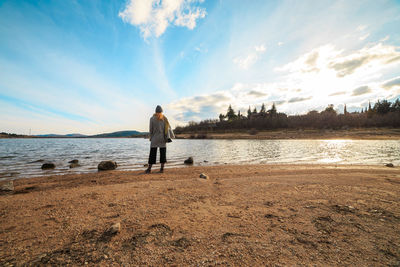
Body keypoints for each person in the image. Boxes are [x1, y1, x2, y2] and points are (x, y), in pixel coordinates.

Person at [146, 105, 174, 173]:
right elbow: (167, 129)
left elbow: (151, 130)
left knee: (152, 154)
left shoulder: (152, 118)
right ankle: (162, 169)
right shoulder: (164, 118)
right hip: (162, 138)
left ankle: (149, 169)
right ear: (161, 111)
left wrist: (150, 137)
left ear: (155, 111)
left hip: (154, 138)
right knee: (163, 153)